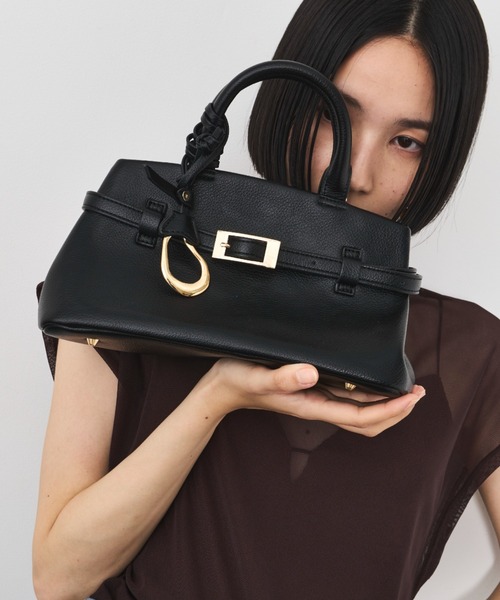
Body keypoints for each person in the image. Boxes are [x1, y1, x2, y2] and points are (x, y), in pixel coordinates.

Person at [32, 0, 499, 599]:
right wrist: (220, 394)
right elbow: (59, 578)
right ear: (287, 97)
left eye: (406, 141)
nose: (357, 173)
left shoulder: (468, 352)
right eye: (335, 116)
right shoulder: (128, 282)